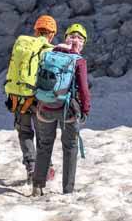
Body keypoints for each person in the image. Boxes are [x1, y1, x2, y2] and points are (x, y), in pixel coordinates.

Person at [31, 23, 92, 196]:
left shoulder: (49, 53)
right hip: (68, 110)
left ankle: (37, 186)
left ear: (65, 39)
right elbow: (83, 89)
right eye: (78, 38)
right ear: (81, 44)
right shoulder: (78, 60)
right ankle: (67, 190)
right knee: (70, 147)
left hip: (45, 106)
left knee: (44, 146)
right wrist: (85, 110)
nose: (77, 41)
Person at [3, 14, 57, 183]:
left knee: (25, 132)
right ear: (52, 34)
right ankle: (45, 169)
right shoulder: (49, 50)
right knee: (43, 135)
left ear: (36, 31)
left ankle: (31, 168)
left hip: (18, 98)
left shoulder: (22, 46)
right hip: (37, 99)